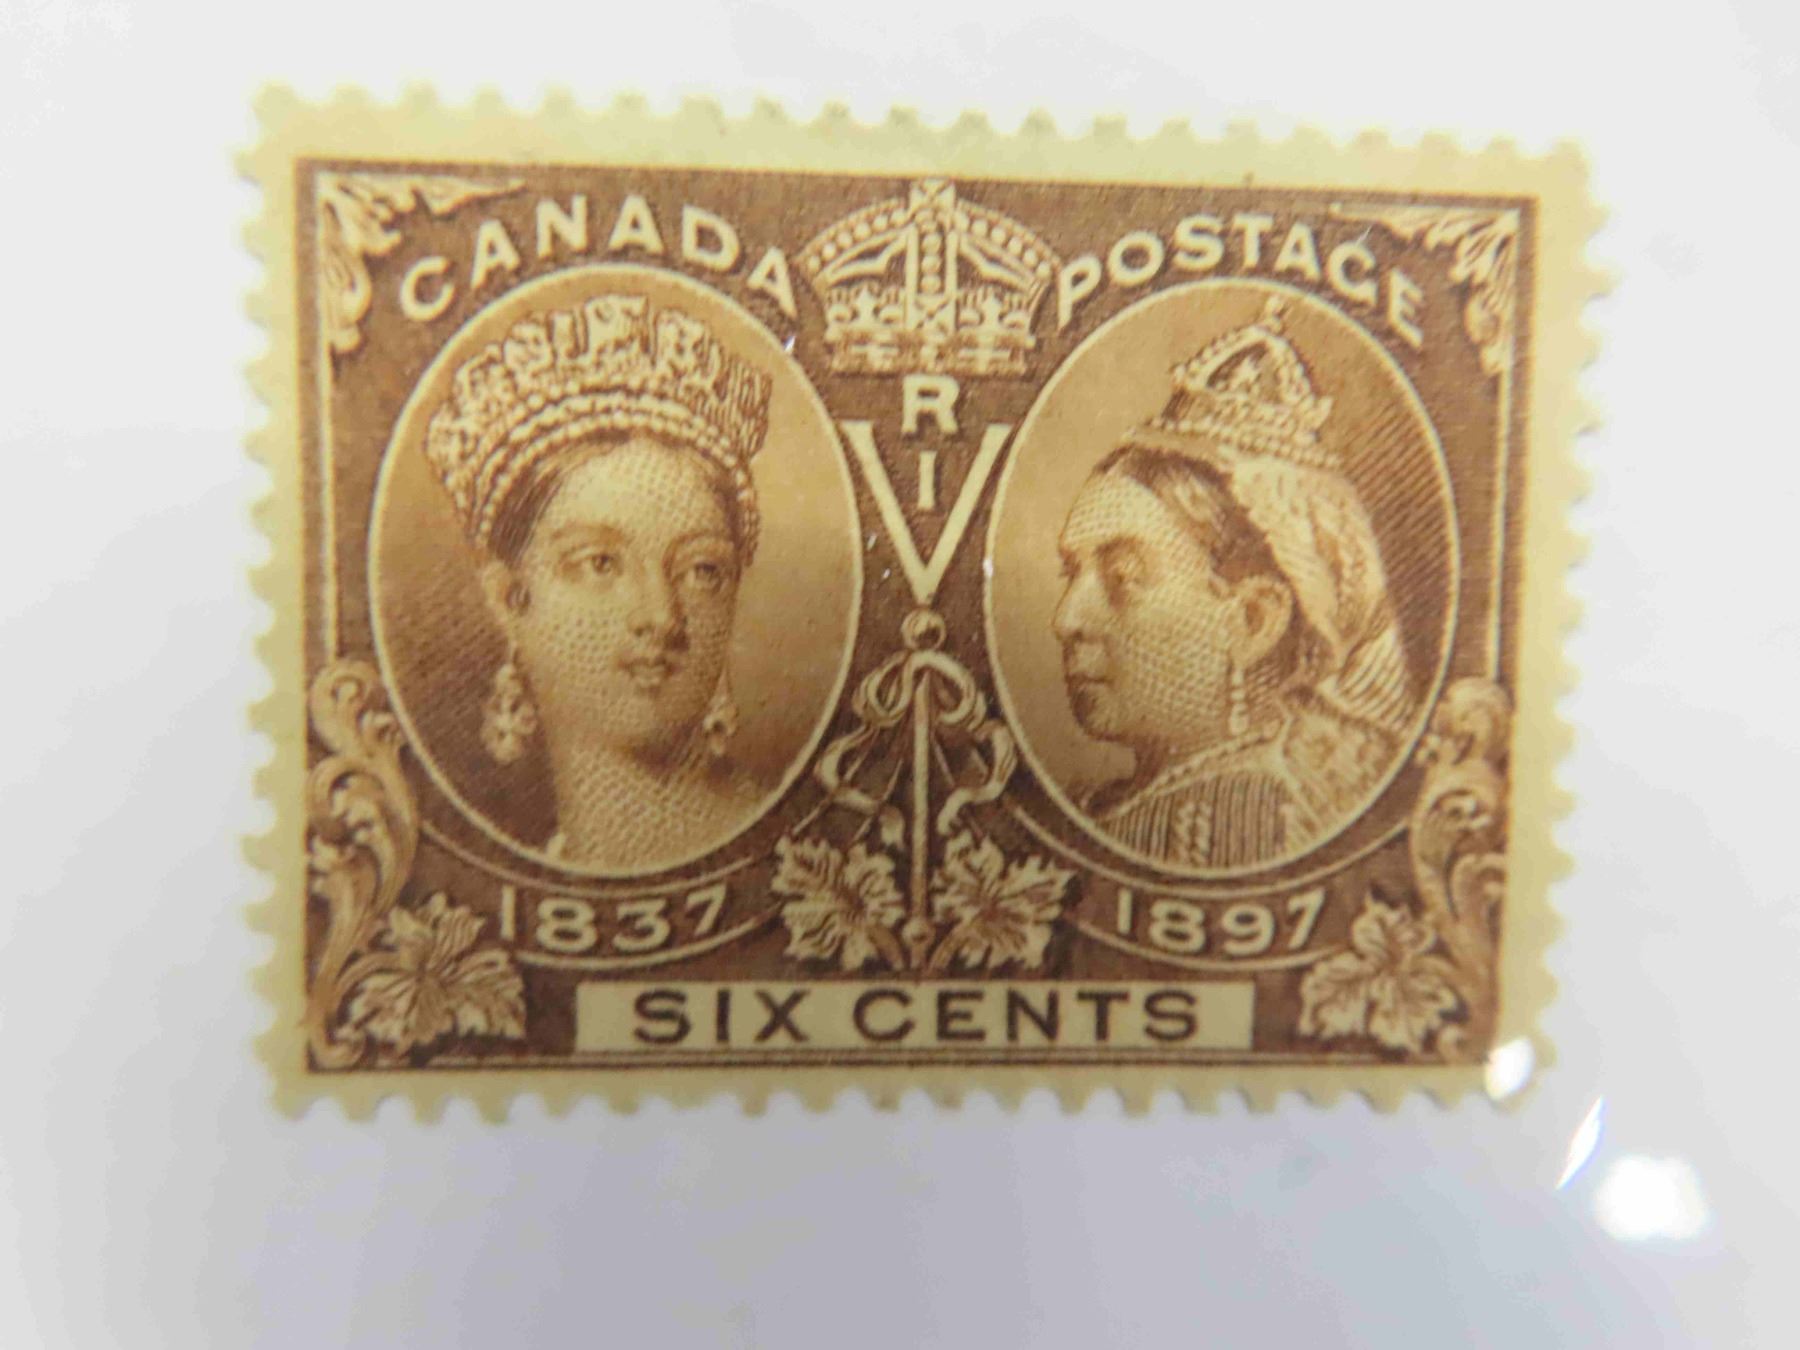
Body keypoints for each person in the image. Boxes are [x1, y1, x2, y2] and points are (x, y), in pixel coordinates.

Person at [1052, 299, 1416, 869]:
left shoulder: (1232, 818)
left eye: (1124, 578)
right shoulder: (1114, 807)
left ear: (1254, 621)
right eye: (1071, 574)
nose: (1067, 619)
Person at [424, 292, 772, 868]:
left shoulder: (775, 850)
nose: (661, 616)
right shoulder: (552, 856)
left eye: (701, 570)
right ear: (509, 599)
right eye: (601, 564)